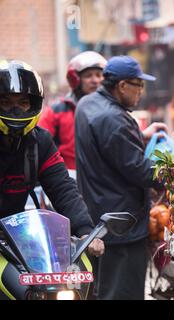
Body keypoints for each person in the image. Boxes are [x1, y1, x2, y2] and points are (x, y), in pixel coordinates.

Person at [75, 55, 167, 300]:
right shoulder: (113, 119)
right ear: (123, 86)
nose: (141, 92)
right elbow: (139, 169)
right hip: (121, 223)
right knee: (122, 292)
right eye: (139, 85)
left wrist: (141, 136)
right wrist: (173, 177)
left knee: (103, 290)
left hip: (98, 212)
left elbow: (111, 150)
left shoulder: (87, 103)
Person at [0, 59, 104, 256]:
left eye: (22, 103)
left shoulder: (40, 142)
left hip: (15, 239)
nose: (15, 110)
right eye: (6, 103)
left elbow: (62, 188)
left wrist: (85, 232)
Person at [38, 51, 107, 172]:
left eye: (99, 75)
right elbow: (38, 144)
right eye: (88, 76)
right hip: (67, 177)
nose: (95, 80)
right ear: (75, 79)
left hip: (102, 178)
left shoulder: (111, 110)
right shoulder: (57, 111)